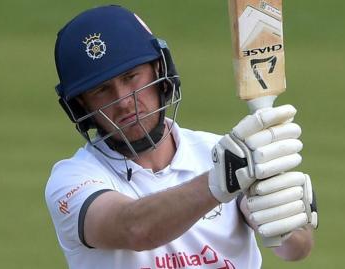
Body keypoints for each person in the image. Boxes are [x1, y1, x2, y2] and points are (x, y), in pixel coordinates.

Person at [45, 5, 318, 269]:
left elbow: (296, 249)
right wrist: (220, 181)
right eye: (102, 90)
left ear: (159, 71)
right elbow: (134, 228)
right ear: (82, 107)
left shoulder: (220, 153)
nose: (123, 101)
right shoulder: (72, 181)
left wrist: (286, 222)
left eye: (131, 77)